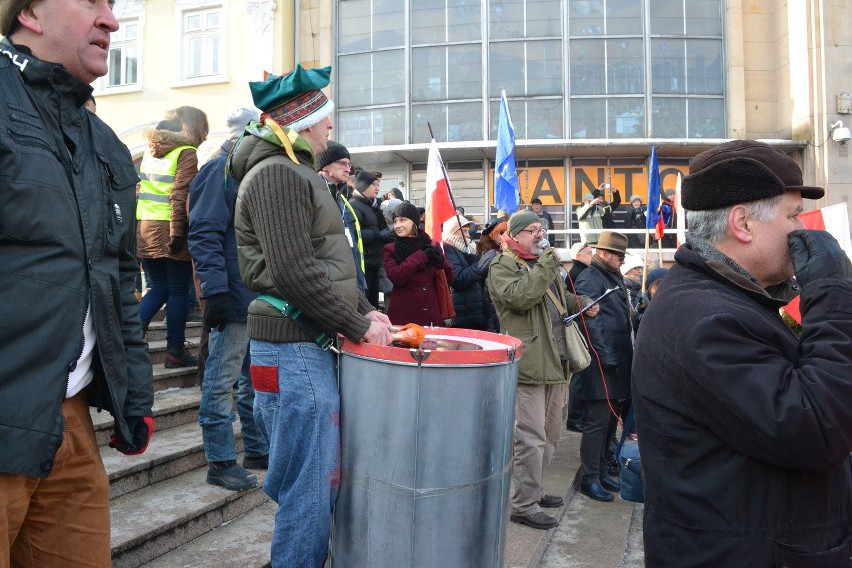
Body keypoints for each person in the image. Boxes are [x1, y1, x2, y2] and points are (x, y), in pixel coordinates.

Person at [633, 140, 852, 566]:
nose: (803, 230)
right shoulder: (707, 319)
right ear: (743, 223)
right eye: (792, 216)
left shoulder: (721, 300)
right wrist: (833, 293)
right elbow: (821, 427)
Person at [0, 3, 154, 565]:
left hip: (69, 422)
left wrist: (134, 395)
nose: (112, 21)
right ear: (32, 13)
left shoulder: (103, 142)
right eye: (92, 2)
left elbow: (117, 281)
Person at [230, 64, 393, 567]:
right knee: (309, 486)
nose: (330, 130)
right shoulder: (278, 173)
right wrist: (359, 324)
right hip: (293, 347)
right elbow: (296, 273)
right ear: (302, 122)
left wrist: (368, 311)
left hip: (300, 346)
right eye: (325, 120)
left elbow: (329, 268)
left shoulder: (294, 172)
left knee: (313, 481)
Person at [488, 211, 598, 530]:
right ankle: (523, 504)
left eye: (542, 229)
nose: (540, 235)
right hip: (530, 364)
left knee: (550, 436)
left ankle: (533, 491)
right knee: (530, 437)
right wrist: (549, 263)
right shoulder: (502, 265)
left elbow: (560, 298)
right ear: (517, 234)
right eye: (534, 230)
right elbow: (521, 297)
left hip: (556, 361)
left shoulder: (542, 263)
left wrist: (583, 303)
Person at [188, 107, 269, 491]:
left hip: (252, 295)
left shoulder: (242, 172)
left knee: (252, 381)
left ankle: (255, 449)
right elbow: (203, 234)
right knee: (221, 382)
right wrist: (216, 291)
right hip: (232, 296)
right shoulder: (217, 171)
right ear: (242, 137)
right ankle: (220, 461)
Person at [137, 107, 209, 368]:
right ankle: (174, 352)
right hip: (169, 228)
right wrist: (178, 234)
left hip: (145, 227)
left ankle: (129, 342)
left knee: (158, 288)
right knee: (177, 290)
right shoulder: (185, 152)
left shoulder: (149, 152)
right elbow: (179, 194)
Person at [573, 231, 633, 502]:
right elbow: (590, 321)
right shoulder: (590, 277)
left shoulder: (609, 275)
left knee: (609, 421)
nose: (621, 261)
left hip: (617, 358)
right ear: (606, 254)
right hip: (601, 360)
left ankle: (599, 472)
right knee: (597, 422)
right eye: (619, 256)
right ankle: (589, 478)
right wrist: (605, 355)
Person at [383, 202, 454, 326]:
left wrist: (441, 262)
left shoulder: (432, 245)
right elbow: (396, 276)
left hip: (430, 316)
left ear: (414, 222)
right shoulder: (391, 248)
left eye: (402, 220)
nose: (397, 225)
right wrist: (422, 256)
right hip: (403, 317)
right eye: (395, 222)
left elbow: (450, 278)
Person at [315, 140, 367, 294]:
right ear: (324, 165)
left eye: (349, 165)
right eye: (342, 163)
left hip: (353, 283)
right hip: (331, 287)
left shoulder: (342, 198)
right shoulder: (315, 195)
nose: (348, 169)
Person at [349, 170, 389, 309]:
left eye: (378, 185)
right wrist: (378, 235)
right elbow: (354, 233)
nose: (378, 188)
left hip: (375, 263)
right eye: (374, 184)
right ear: (363, 185)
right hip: (363, 265)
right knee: (365, 305)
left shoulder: (372, 205)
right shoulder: (354, 205)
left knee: (373, 304)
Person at [442, 215, 486, 330]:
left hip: (473, 312)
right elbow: (458, 279)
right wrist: (481, 264)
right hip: (461, 314)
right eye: (463, 231)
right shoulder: (447, 249)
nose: (468, 235)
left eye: (467, 231)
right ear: (452, 232)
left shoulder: (469, 249)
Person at [475, 219, 508, 333]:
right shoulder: (490, 251)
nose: (506, 235)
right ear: (494, 234)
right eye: (502, 232)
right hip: (490, 302)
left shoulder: (498, 249)